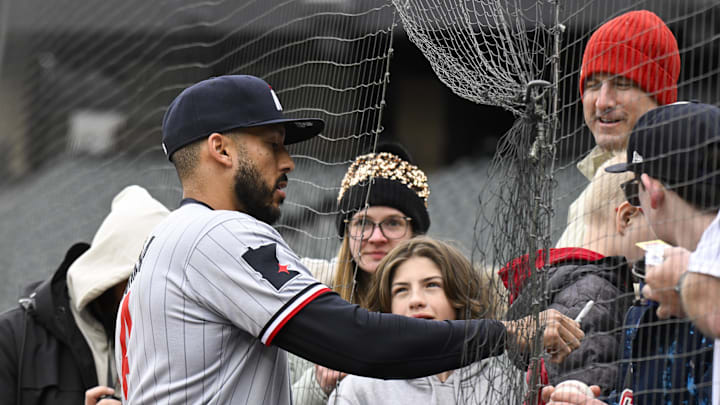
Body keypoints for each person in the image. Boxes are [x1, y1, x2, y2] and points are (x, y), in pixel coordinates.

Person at [116, 74, 585, 404]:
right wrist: (504, 332)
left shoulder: (161, 245)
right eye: (272, 144)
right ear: (220, 149)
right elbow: (357, 341)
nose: (289, 162)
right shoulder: (219, 233)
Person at [545, 102, 719, 405]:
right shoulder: (656, 292)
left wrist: (689, 286)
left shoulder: (683, 285)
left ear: (651, 191)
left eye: (632, 189)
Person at [501, 155, 655, 399]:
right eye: (657, 219)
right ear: (626, 218)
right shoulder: (593, 294)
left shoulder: (577, 280)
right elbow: (582, 390)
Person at [0, 185, 170, 405]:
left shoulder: (170, 343)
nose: (156, 295)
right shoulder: (13, 340)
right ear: (112, 275)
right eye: (142, 279)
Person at [291, 143, 431, 404]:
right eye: (362, 223)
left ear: (416, 234)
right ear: (346, 231)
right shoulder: (306, 297)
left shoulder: (443, 301)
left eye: (392, 223)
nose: (376, 237)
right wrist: (318, 383)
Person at [328, 236, 522, 404]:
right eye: (401, 290)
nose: (416, 301)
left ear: (460, 295)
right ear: (387, 307)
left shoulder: (507, 385)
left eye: (431, 285)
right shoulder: (360, 388)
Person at [556, 9, 680, 248]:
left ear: (659, 98)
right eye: (592, 86)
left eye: (621, 84)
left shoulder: (675, 192)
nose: (602, 102)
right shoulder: (598, 182)